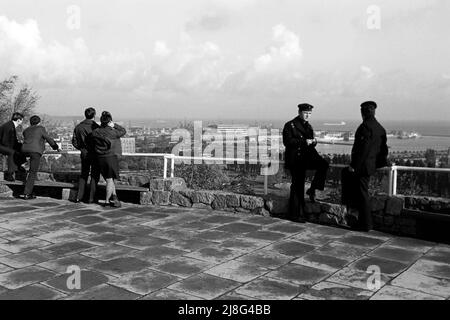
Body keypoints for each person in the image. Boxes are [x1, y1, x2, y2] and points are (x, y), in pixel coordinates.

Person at [343, 101, 388, 231]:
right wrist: (377, 164)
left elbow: (362, 150)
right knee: (362, 193)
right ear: (374, 112)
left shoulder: (365, 127)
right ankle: (361, 221)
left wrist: (354, 165)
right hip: (370, 166)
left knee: (362, 194)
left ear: (362, 113)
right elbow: (383, 151)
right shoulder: (380, 128)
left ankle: (365, 224)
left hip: (362, 167)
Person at [282, 103, 329, 222]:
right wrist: (303, 142)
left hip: (307, 156)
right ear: (299, 112)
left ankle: (313, 189)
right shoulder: (290, 125)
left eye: (309, 113)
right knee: (297, 185)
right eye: (305, 113)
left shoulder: (309, 126)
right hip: (295, 159)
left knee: (323, 164)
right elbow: (287, 142)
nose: (308, 115)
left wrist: (314, 142)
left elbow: (311, 141)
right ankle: (295, 214)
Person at [90, 111, 126, 207]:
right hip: (110, 157)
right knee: (110, 180)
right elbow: (123, 131)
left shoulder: (95, 132)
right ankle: (106, 201)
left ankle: (114, 196)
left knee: (108, 179)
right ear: (109, 121)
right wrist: (114, 125)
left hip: (100, 158)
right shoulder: (113, 132)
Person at [20, 115, 61, 199]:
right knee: (32, 172)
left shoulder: (26, 130)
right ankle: (27, 193)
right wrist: (56, 147)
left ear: (30, 122)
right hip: (35, 151)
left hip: (24, 150)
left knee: (25, 163)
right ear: (39, 122)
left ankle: (20, 166)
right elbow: (48, 138)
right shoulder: (40, 128)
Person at [72, 107, 100, 203]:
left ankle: (79, 196)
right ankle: (91, 198)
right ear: (94, 115)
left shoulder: (78, 127)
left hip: (84, 153)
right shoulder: (96, 127)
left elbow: (74, 141)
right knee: (94, 175)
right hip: (95, 153)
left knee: (84, 174)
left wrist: (81, 148)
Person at [0, 112, 26, 181]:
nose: (22, 122)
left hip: (4, 145)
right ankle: (9, 174)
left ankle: (18, 166)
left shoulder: (11, 125)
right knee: (12, 152)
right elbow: (4, 141)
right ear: (18, 120)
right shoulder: (9, 126)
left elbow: (12, 140)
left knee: (21, 148)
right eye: (22, 120)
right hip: (2, 145)